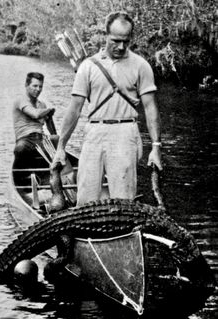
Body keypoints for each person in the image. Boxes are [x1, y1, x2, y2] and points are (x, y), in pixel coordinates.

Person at [52, 11, 162, 206]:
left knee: (124, 199)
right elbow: (75, 109)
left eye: (126, 41)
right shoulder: (88, 66)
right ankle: (85, 233)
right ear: (105, 35)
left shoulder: (141, 65)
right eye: (115, 40)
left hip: (125, 134)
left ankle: (123, 235)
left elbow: (150, 108)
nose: (121, 46)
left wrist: (156, 147)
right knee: (86, 196)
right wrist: (61, 147)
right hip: (94, 132)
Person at [13, 72, 57, 168]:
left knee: (57, 139)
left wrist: (56, 140)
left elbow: (51, 129)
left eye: (40, 86)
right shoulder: (21, 100)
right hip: (25, 139)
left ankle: (65, 176)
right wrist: (49, 110)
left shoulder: (42, 105)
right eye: (35, 86)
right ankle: (21, 175)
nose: (38, 89)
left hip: (40, 138)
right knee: (20, 148)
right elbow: (35, 114)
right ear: (26, 85)